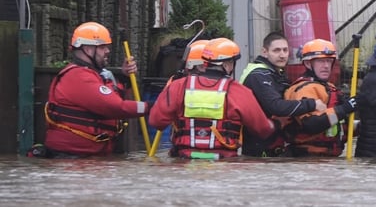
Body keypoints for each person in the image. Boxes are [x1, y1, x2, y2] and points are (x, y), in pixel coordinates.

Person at [32, 22, 151, 158]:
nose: (107, 51)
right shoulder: (78, 77)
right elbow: (116, 107)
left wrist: (125, 78)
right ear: (88, 49)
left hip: (88, 157)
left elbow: (113, 96)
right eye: (102, 47)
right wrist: (151, 107)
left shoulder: (93, 75)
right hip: (72, 160)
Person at [148, 37, 279, 159]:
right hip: (224, 163)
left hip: (184, 160)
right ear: (227, 64)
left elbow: (156, 122)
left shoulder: (178, 86)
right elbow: (263, 130)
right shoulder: (239, 92)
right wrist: (275, 125)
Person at [239, 32, 326, 157]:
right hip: (258, 144)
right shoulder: (258, 75)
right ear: (265, 52)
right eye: (276, 50)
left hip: (272, 141)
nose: (282, 55)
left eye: (285, 50)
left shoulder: (275, 73)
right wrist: (312, 104)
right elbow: (276, 106)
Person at [283, 38, 356, 157]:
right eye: (321, 62)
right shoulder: (304, 89)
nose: (326, 66)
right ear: (308, 64)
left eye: (329, 61)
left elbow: (339, 126)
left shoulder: (330, 88)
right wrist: (343, 109)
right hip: (305, 158)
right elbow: (312, 124)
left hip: (326, 157)